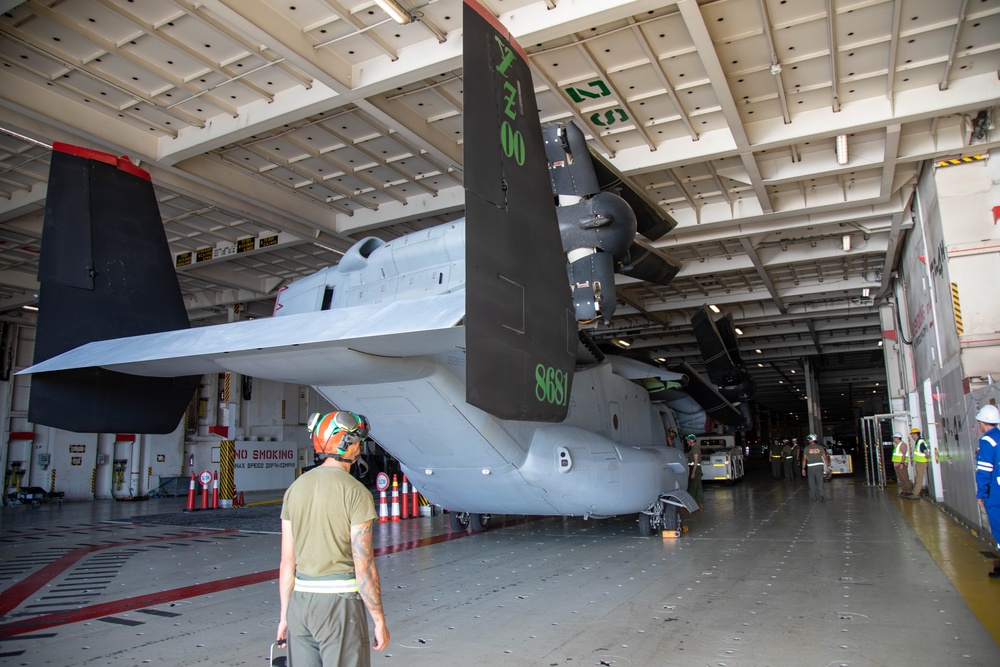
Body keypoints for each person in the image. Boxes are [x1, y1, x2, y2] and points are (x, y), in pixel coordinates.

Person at [277, 411, 390, 665]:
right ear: (345, 445)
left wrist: (285, 616)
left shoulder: (294, 489)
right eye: (356, 441)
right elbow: (364, 566)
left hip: (300, 606)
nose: (359, 446)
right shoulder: (356, 492)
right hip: (338, 607)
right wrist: (379, 619)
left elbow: (287, 562)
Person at [973, 404, 1000, 579]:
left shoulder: (987, 441)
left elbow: (984, 470)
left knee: (998, 527)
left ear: (982, 423)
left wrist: (981, 494)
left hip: (995, 492)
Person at [801, 434, 830, 501]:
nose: (808, 440)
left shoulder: (807, 448)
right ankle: (822, 496)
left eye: (809, 439)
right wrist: (828, 466)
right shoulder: (820, 447)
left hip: (811, 467)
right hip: (819, 466)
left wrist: (803, 468)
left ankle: (813, 497)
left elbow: (804, 459)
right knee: (820, 481)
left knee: (811, 482)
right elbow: (825, 457)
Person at [684, 434, 703, 507]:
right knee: (698, 487)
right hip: (697, 469)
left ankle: (689, 505)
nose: (687, 442)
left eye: (688, 440)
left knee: (692, 487)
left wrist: (693, 473)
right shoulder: (695, 448)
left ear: (691, 440)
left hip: (695, 469)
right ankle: (700, 504)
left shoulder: (694, 448)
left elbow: (696, 460)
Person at [891, 432, 912, 497]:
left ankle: (908, 491)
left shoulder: (902, 445)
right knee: (901, 478)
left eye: (894, 438)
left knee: (905, 478)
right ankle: (904, 491)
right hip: (897, 464)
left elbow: (903, 454)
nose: (893, 439)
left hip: (900, 464)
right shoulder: (897, 445)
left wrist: (902, 463)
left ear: (897, 438)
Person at [911, 429, 930, 498]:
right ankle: (915, 492)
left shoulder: (920, 442)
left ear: (916, 434)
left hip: (921, 463)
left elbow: (924, 450)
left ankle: (916, 493)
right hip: (919, 462)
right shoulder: (918, 442)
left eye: (912, 435)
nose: (912, 437)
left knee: (919, 478)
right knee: (918, 477)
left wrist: (926, 455)